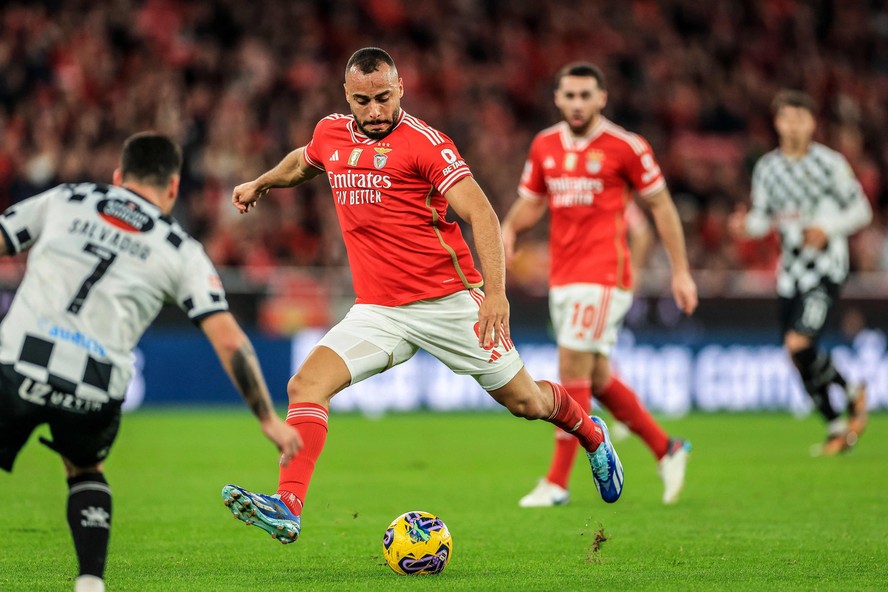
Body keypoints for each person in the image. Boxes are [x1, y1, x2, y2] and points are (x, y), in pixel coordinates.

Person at [220, 47, 624, 545]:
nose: (373, 111)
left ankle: (591, 433)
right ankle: (288, 506)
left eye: (383, 99)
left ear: (400, 90)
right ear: (346, 96)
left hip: (450, 303)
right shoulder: (331, 133)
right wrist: (261, 182)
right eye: (362, 101)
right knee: (305, 386)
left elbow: (483, 215)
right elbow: (306, 162)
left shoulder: (426, 144)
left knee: (527, 402)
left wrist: (495, 293)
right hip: (379, 310)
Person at [0, 132, 303, 592]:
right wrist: (268, 419)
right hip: (94, 384)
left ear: (119, 177)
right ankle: (89, 582)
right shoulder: (179, 248)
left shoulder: (67, 198)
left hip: (17, 361)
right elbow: (228, 338)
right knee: (84, 469)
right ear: (174, 189)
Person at [501, 62, 698, 507]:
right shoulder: (545, 145)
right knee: (598, 376)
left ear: (602, 98)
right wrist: (510, 229)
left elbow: (663, 208)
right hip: (564, 276)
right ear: (556, 98)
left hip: (605, 275)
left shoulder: (626, 147)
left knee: (571, 370)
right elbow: (531, 203)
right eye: (568, 95)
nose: (576, 104)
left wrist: (680, 270)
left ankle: (557, 482)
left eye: (585, 95)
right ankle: (667, 448)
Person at [729, 90, 872, 455]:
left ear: (811, 123)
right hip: (789, 273)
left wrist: (828, 228)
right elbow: (764, 218)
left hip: (825, 269)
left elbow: (862, 211)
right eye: (786, 118)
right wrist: (746, 226)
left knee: (799, 344)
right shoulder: (768, 168)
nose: (793, 125)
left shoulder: (829, 164)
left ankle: (852, 392)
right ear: (777, 123)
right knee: (796, 355)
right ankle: (838, 426)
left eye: (800, 118)